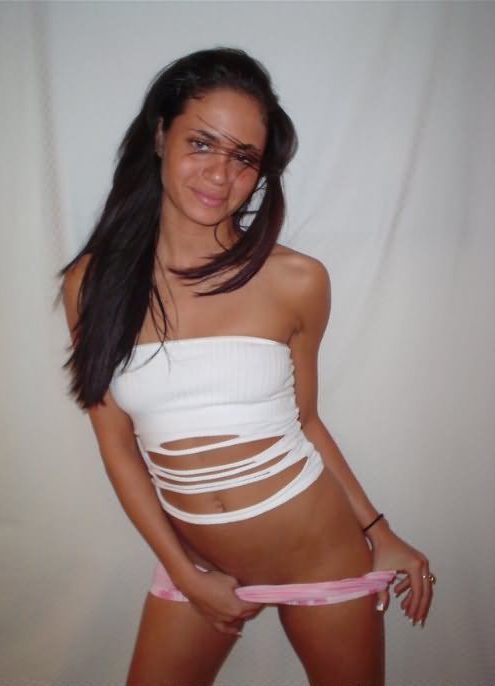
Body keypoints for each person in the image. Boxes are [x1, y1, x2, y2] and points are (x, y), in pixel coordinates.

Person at [60, 47, 434, 686]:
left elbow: (306, 422)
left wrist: (381, 532)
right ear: (160, 135)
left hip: (322, 557)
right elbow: (116, 444)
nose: (220, 174)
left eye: (244, 157)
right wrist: (185, 575)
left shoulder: (297, 280)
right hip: (199, 565)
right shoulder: (92, 283)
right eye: (201, 143)